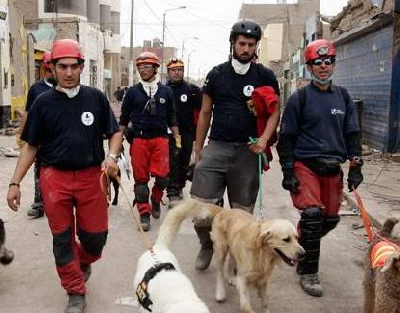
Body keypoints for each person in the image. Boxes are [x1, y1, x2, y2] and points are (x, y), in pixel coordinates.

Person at [7, 39, 122, 313]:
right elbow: (30, 146)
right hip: (54, 177)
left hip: (91, 177)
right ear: (52, 68)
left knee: (95, 239)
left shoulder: (95, 98)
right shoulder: (42, 103)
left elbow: (115, 133)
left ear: (82, 67)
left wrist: (112, 157)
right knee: (61, 238)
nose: (69, 72)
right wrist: (15, 183)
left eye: (74, 66)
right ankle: (74, 291)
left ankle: (83, 261)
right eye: (62, 67)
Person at [190, 19, 281, 271]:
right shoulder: (216, 74)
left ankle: (234, 256)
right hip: (217, 146)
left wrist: (264, 139)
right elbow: (205, 113)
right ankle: (207, 245)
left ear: (256, 47)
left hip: (248, 151)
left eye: (251, 45)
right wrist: (199, 149)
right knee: (201, 211)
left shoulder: (265, 75)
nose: (246, 49)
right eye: (242, 44)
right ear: (233, 43)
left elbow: (274, 112)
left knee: (243, 214)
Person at [276, 38, 363, 297]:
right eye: (317, 63)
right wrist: (289, 172)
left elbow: (353, 135)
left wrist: (356, 166)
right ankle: (308, 271)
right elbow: (286, 138)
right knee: (313, 215)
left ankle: (297, 244)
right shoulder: (299, 99)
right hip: (306, 166)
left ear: (334, 64)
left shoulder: (343, 97)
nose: (323, 67)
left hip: (332, 168)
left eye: (328, 62)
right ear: (309, 67)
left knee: (330, 219)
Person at [119, 51, 180, 231]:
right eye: (140, 67)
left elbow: (173, 118)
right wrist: (119, 140)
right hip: (139, 140)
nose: (143, 70)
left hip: (160, 139)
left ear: (155, 68)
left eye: (146, 67)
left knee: (163, 178)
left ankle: (156, 198)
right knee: (141, 181)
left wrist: (178, 140)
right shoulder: (132, 92)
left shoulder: (167, 92)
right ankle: (144, 213)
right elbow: (123, 119)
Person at [20, 51, 55, 219]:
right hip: (41, 139)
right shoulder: (36, 89)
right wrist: (23, 136)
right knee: (39, 170)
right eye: (48, 70)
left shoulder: (66, 87)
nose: (51, 74)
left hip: (61, 138)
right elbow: (27, 113)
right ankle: (39, 202)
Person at [165, 57, 202, 206]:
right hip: (169, 133)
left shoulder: (192, 91)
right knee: (171, 162)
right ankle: (172, 191)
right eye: (173, 70)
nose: (176, 73)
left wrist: (197, 137)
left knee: (183, 161)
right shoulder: (162, 90)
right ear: (168, 72)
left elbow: (202, 112)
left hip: (186, 134)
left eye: (179, 70)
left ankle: (179, 186)